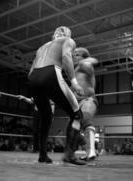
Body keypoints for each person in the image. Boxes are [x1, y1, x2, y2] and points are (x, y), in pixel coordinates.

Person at [28, 26, 86, 165]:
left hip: (33, 78)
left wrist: (37, 88)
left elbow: (30, 71)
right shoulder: (68, 40)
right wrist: (74, 83)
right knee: (77, 115)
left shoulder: (41, 48)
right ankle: (70, 155)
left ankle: (42, 155)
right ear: (67, 34)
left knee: (46, 117)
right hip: (51, 73)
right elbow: (66, 57)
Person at [72, 47, 99, 161]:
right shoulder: (75, 71)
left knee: (86, 118)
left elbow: (93, 61)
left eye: (78, 54)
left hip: (88, 99)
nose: (74, 56)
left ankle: (91, 152)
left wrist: (85, 61)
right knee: (72, 129)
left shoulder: (85, 65)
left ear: (84, 57)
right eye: (74, 54)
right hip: (77, 103)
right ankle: (90, 150)